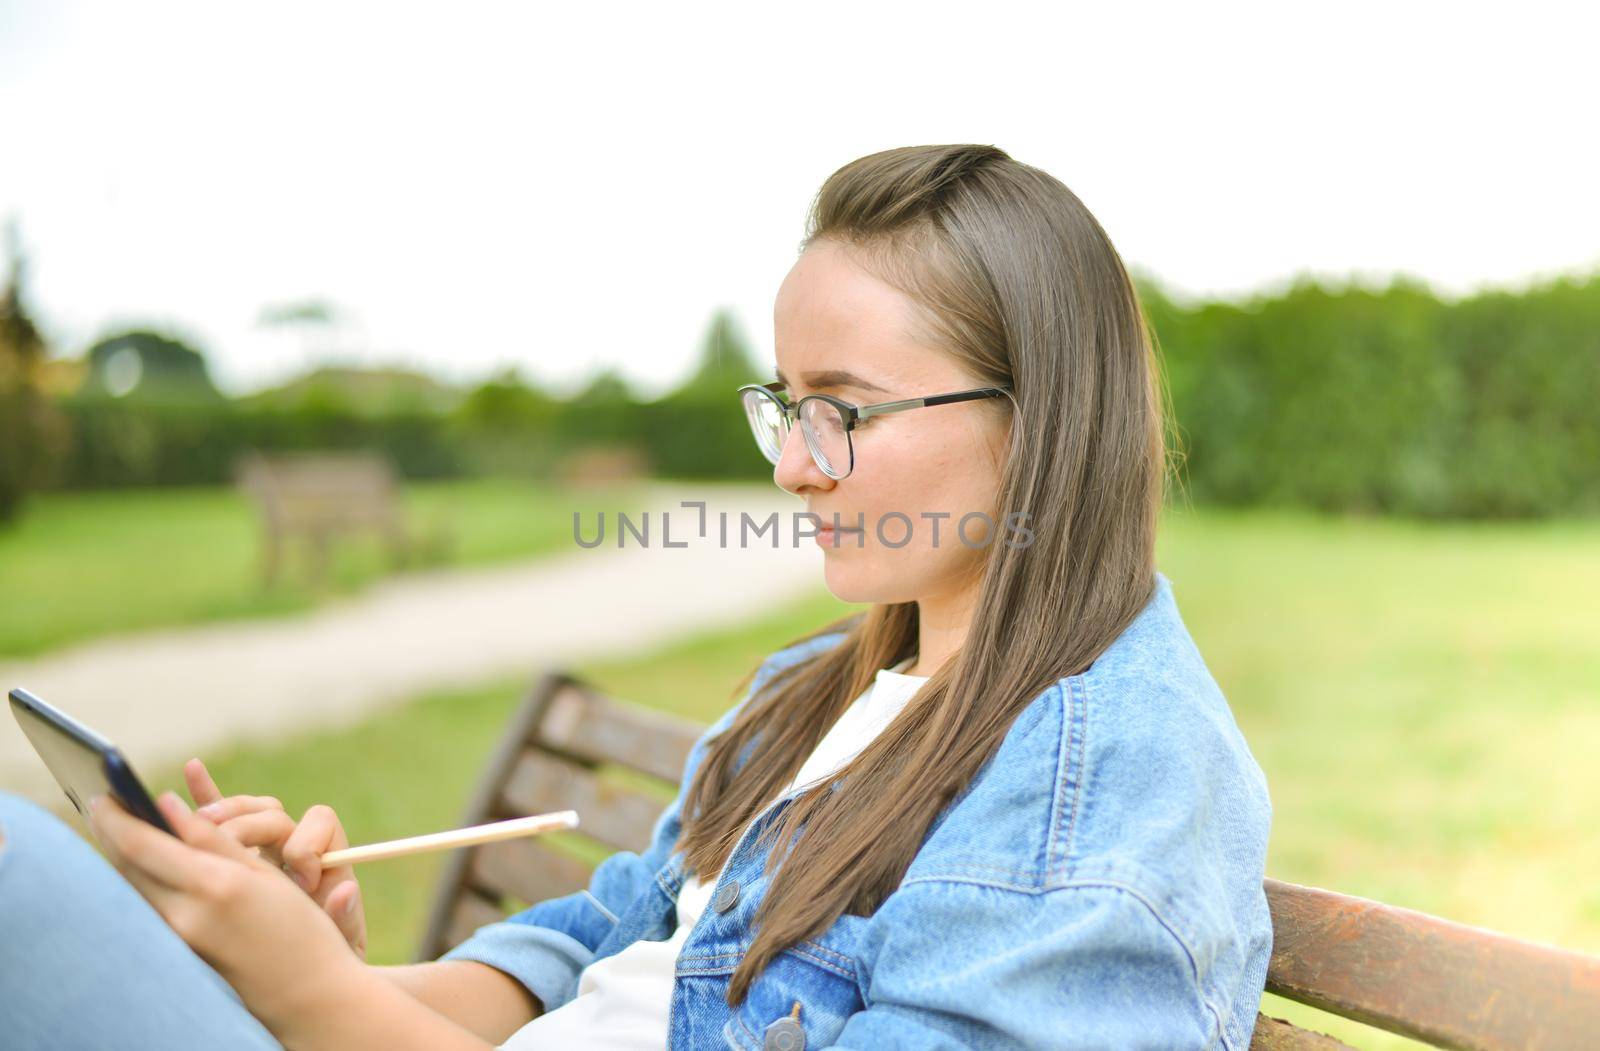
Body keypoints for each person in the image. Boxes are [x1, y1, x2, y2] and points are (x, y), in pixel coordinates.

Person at [0, 143, 1273, 1049]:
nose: (791, 465)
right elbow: (606, 950)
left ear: (1037, 415)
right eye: (785, 403)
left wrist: (315, 1008)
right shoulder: (812, 693)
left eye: (845, 408)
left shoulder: (1102, 786)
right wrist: (334, 977)